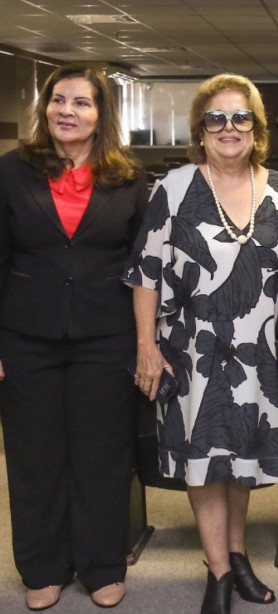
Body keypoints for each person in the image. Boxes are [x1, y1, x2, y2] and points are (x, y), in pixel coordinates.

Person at [125, 74, 278, 614]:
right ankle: (219, 570)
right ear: (201, 131)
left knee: (241, 456)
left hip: (256, 354)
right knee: (204, 460)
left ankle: (239, 554)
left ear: (256, 128)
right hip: (190, 350)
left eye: (240, 117)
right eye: (216, 118)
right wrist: (146, 348)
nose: (229, 128)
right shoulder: (174, 188)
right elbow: (145, 273)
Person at [0, 64, 147, 610]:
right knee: (34, 455)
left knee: (102, 454)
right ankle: (42, 567)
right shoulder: (11, 172)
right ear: (45, 108)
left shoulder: (128, 177)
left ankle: (102, 564)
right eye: (58, 100)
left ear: (100, 114)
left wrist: (143, 341)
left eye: (81, 103)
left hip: (105, 336)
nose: (67, 111)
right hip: (25, 335)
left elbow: (142, 267)